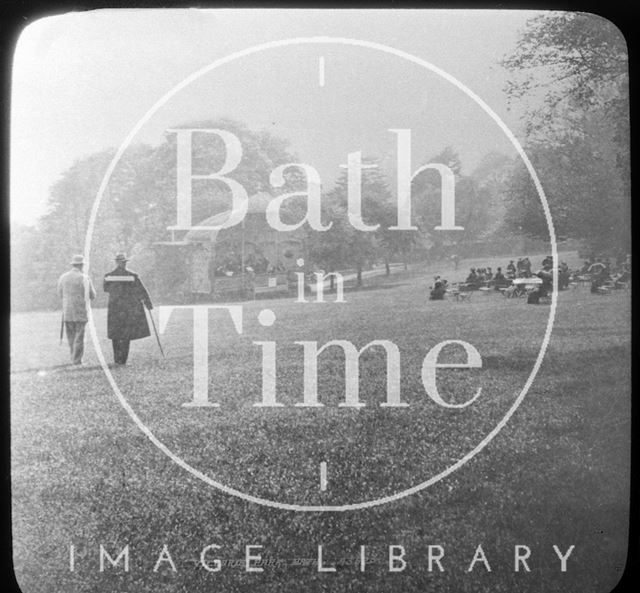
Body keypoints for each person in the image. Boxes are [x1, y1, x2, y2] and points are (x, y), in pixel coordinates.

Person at [104, 253, 153, 365]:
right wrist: (148, 303)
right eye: (124, 262)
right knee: (126, 334)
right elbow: (141, 290)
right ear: (124, 263)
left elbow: (105, 289)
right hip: (127, 308)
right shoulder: (133, 276)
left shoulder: (108, 276)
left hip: (114, 308)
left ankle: (117, 359)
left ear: (116, 262)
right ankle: (123, 360)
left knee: (115, 334)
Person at [57, 255, 96, 365]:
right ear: (81, 265)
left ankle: (73, 358)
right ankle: (77, 360)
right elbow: (92, 295)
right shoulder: (84, 277)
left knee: (71, 337)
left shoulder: (63, 277)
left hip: (67, 312)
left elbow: (60, 294)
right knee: (79, 337)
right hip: (80, 311)